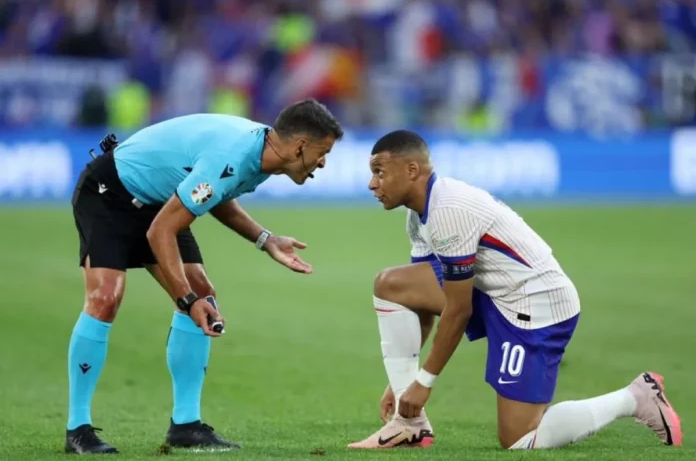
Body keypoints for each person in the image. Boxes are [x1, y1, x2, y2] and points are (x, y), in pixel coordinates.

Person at [348, 130, 682, 450]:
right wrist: (402, 381)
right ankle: (408, 426)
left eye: (379, 171)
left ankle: (635, 397)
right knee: (392, 284)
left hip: (535, 307)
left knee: (519, 439)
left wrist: (424, 383)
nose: (372, 183)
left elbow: (458, 310)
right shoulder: (418, 214)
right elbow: (419, 300)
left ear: (411, 170)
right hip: (497, 293)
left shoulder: (448, 211)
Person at [66, 99, 343, 454]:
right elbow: (161, 231)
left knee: (202, 291)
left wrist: (265, 239)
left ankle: (186, 425)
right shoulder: (233, 153)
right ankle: (77, 428)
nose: (323, 162)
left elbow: (215, 193)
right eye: (323, 152)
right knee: (106, 297)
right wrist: (185, 300)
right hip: (110, 193)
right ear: (300, 145)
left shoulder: (262, 156)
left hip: (161, 200)